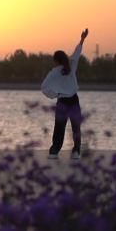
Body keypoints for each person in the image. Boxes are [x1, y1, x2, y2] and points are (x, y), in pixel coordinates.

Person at [41, 28, 89, 160]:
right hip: (73, 100)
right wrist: (82, 39)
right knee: (76, 127)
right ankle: (76, 152)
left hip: (62, 101)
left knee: (59, 128)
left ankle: (54, 152)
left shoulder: (53, 72)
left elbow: (43, 88)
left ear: (56, 61)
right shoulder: (72, 64)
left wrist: (55, 95)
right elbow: (77, 51)